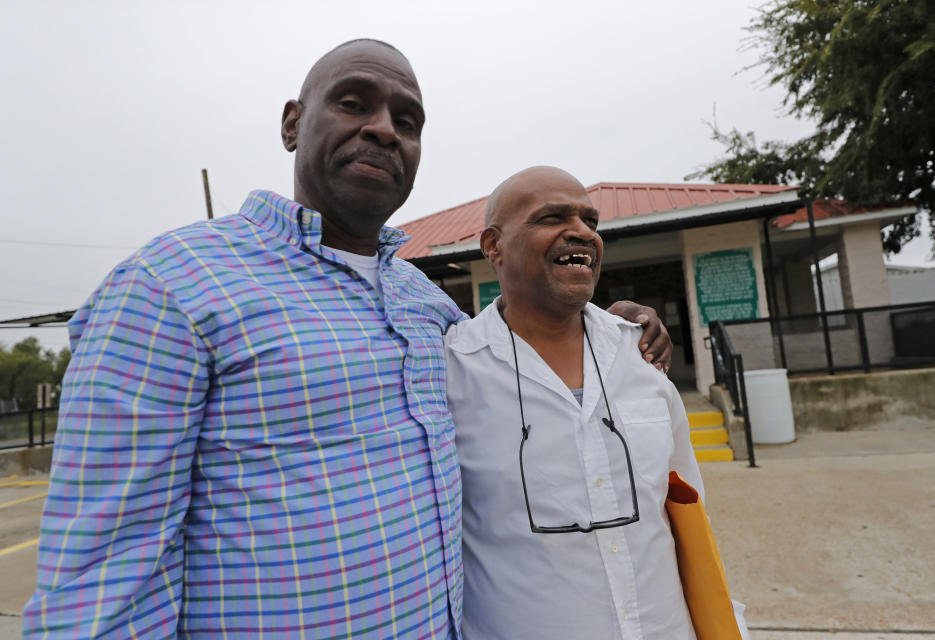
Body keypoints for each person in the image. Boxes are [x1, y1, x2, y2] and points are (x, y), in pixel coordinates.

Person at [22, 42, 672, 638]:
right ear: (291, 124)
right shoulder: (172, 288)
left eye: (408, 121)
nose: (385, 128)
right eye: (354, 103)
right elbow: (101, 581)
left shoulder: (423, 304)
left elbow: (519, 345)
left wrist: (605, 324)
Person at [445, 166, 749, 639]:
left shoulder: (639, 354)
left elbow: (690, 517)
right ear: (493, 246)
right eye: (552, 217)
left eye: (590, 221)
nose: (582, 232)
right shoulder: (451, 372)